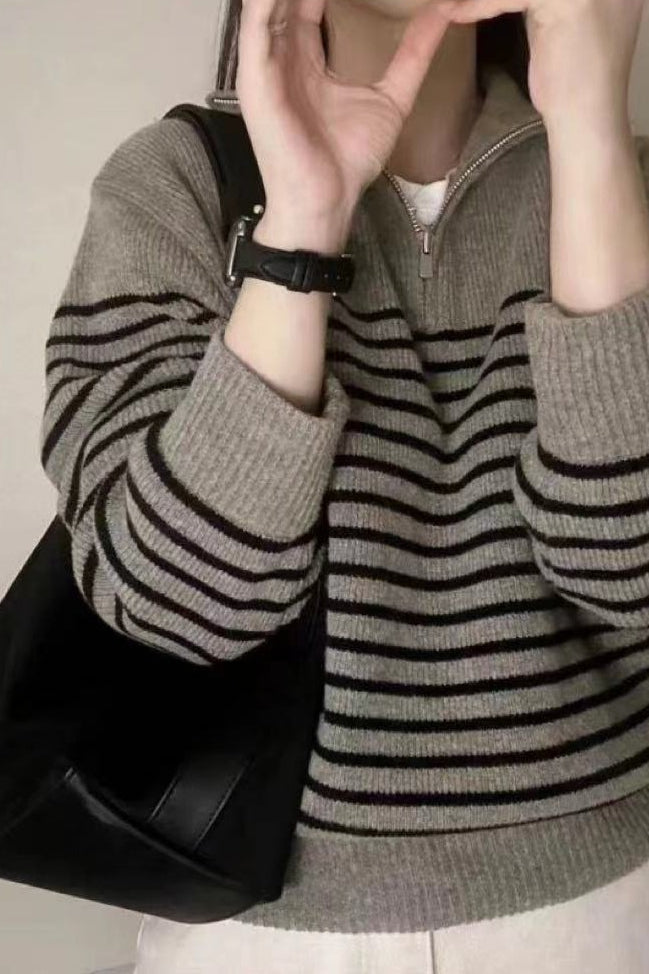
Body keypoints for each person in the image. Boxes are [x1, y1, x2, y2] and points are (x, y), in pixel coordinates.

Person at [41, 0, 649, 970]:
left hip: (598, 907)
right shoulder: (175, 183)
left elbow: (629, 569)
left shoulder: (624, 179)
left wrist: (590, 135)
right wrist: (300, 231)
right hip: (259, 929)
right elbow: (172, 607)